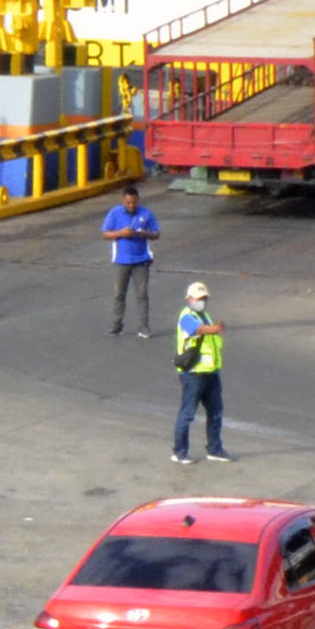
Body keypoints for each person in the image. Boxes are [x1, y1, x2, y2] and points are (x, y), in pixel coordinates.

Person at [173, 281, 230, 464]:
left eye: (204, 298)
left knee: (215, 412)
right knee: (187, 414)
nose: (202, 302)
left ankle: (215, 449)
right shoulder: (187, 316)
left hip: (211, 372)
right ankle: (180, 452)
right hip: (193, 374)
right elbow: (198, 330)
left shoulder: (205, 315)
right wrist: (215, 329)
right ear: (188, 299)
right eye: (198, 299)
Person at [101, 189, 161, 334]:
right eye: (128, 202)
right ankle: (117, 324)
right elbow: (105, 234)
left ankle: (144, 326)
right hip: (121, 261)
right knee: (119, 293)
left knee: (142, 294)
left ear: (138, 200)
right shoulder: (115, 213)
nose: (131, 205)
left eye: (134, 202)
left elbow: (156, 233)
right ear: (123, 201)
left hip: (141, 261)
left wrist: (143, 233)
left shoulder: (146, 214)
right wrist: (121, 233)